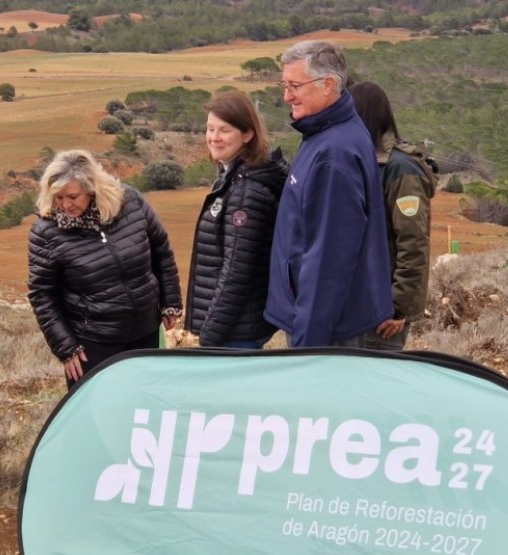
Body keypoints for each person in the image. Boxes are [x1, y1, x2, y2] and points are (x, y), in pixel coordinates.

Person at [265, 40, 393, 348]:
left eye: (294, 85)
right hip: (330, 322)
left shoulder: (333, 154)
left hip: (327, 332)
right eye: (284, 85)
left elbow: (328, 262)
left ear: (328, 85)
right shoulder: (328, 132)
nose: (286, 96)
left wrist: (309, 347)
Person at [27, 149, 182, 388]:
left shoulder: (130, 201)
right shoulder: (46, 232)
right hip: (93, 342)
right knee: (96, 417)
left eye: (73, 197)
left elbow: (161, 250)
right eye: (58, 197)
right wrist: (66, 348)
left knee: (139, 406)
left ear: (92, 189)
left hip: (145, 331)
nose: (65, 205)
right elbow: (42, 295)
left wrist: (170, 301)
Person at [185, 91, 288, 349]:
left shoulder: (246, 192)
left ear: (248, 134)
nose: (214, 137)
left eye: (224, 130)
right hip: (233, 328)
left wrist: (208, 335)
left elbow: (237, 272)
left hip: (233, 334)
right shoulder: (232, 176)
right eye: (210, 129)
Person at [348, 81, 438, 351]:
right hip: (359, 303)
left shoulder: (401, 168)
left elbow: (413, 242)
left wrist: (399, 308)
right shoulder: (364, 159)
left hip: (384, 309)